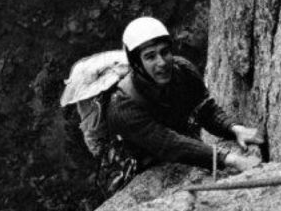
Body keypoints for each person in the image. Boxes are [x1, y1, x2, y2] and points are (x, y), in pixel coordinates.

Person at [107, 16, 263, 176]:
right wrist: (229, 159)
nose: (161, 62)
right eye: (150, 56)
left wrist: (234, 128)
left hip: (182, 148)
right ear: (137, 64)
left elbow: (205, 111)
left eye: (165, 52)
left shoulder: (182, 71)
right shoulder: (123, 105)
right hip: (143, 166)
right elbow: (167, 144)